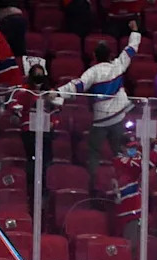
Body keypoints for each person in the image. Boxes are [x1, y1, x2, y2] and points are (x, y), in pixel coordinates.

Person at [56, 24, 140, 181]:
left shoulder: (92, 72)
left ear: (94, 56)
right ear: (110, 55)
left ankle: (94, 182)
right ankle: (124, 181)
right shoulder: (118, 65)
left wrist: (58, 92)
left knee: (94, 152)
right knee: (120, 153)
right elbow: (131, 48)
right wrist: (135, 31)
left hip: (101, 120)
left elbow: (77, 85)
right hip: (118, 118)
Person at [6, 63, 59, 188]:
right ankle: (31, 187)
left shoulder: (49, 92)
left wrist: (53, 122)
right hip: (29, 130)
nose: (38, 78)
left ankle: (44, 187)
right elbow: (13, 105)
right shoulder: (24, 91)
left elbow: (55, 111)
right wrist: (18, 109)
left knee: (46, 160)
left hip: (45, 130)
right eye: (36, 75)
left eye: (41, 75)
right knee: (32, 159)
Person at [110, 132, 144, 242]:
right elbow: (143, 165)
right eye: (130, 147)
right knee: (130, 243)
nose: (133, 150)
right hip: (128, 209)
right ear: (122, 147)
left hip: (136, 209)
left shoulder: (133, 159)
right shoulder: (120, 161)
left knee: (138, 243)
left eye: (135, 147)